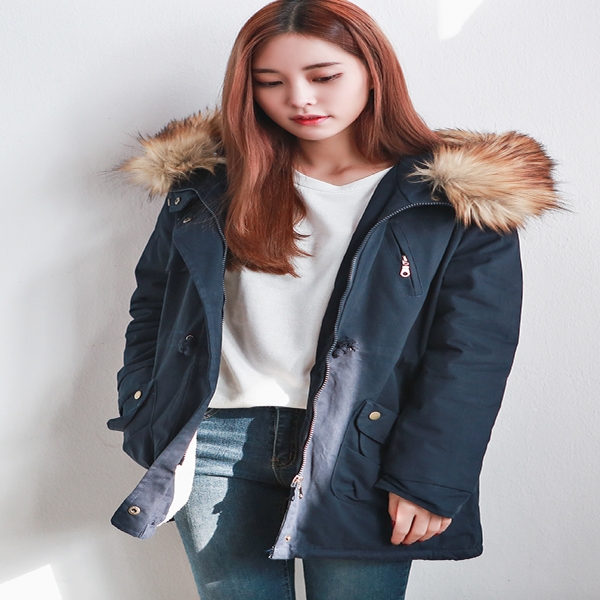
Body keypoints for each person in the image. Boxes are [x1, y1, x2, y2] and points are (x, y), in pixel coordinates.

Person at [107, 0, 559, 598]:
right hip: (214, 444)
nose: (299, 98)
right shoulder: (210, 186)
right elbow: (154, 303)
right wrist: (146, 408)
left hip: (363, 446)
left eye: (323, 76)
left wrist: (429, 476)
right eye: (271, 82)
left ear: (373, 71)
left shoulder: (454, 200)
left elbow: (473, 352)